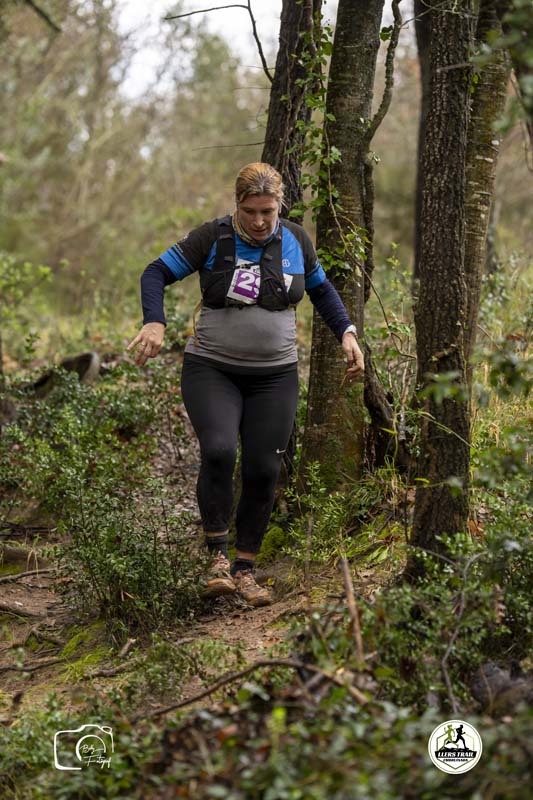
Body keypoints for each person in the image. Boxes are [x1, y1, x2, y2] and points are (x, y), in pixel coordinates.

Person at [127, 163, 364, 607]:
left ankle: (246, 570)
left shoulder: (296, 240)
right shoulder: (212, 238)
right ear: (237, 205)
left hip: (275, 375)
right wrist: (154, 322)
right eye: (250, 211)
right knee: (219, 451)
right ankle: (216, 560)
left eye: (267, 212)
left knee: (264, 468)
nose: (258, 221)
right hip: (212, 369)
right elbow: (155, 272)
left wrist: (347, 334)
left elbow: (322, 291)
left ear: (280, 207)